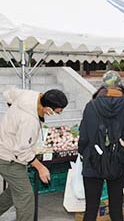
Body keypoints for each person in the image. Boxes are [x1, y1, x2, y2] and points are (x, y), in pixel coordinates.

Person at [78, 71, 124, 221]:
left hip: (93, 160)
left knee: (91, 209)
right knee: (116, 208)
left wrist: (82, 152)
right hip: (118, 159)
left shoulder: (92, 105)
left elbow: (83, 135)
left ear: (103, 84)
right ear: (119, 85)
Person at [0, 88, 68, 221]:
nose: (54, 114)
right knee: (26, 197)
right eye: (56, 112)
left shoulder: (32, 95)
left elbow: (8, 93)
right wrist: (40, 167)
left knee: (16, 190)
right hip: (9, 158)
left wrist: (13, 118)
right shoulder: (29, 121)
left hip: (6, 148)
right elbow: (22, 151)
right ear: (48, 108)